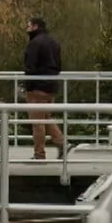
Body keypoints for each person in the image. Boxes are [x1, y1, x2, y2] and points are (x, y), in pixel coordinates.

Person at [22, 16, 66, 160]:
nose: (27, 28)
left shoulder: (34, 43)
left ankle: (39, 153)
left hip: (37, 87)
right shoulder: (54, 42)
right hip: (51, 86)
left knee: (37, 122)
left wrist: (28, 86)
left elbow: (30, 66)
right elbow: (59, 65)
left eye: (28, 25)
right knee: (46, 117)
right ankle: (62, 143)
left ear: (35, 27)